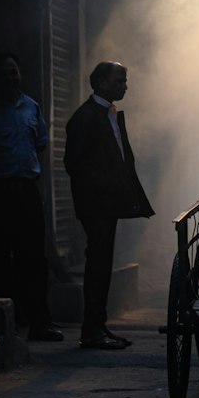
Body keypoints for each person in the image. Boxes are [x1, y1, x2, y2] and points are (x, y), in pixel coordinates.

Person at [0, 53, 63, 342]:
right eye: (6, 73)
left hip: (26, 193)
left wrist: (39, 191)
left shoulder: (32, 108)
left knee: (34, 260)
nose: (12, 78)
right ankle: (5, 325)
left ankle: (39, 323)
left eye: (15, 72)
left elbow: (40, 148)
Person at [64, 61, 154, 350]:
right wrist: (105, 187)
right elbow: (75, 164)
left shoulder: (106, 114)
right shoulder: (86, 117)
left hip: (106, 203)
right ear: (102, 83)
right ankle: (92, 330)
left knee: (102, 264)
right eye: (119, 81)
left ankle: (97, 326)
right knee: (98, 264)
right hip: (97, 204)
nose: (124, 86)